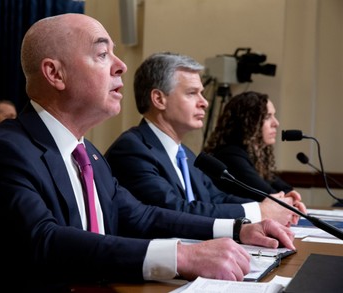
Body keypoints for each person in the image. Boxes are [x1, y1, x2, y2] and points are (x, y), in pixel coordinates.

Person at [0, 14, 295, 292]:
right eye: (103, 54)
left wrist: (239, 230)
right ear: (54, 73)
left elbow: (143, 216)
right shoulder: (4, 153)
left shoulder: (87, 153)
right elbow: (45, 242)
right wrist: (180, 256)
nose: (120, 66)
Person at [105, 52, 305, 226]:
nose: (205, 102)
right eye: (192, 93)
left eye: (202, 93)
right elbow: (175, 210)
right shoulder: (132, 149)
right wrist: (259, 212)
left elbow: (216, 198)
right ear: (159, 99)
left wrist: (271, 204)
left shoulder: (186, 155)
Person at [203, 91, 307, 212]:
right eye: (267, 117)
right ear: (247, 122)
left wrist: (290, 196)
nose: (276, 123)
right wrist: (288, 198)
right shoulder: (231, 155)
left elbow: (284, 188)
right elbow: (268, 196)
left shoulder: (251, 155)